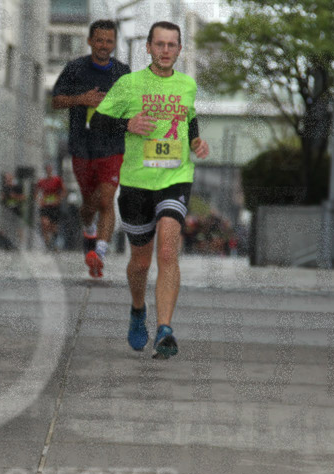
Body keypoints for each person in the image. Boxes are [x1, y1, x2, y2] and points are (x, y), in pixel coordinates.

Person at [93, 20, 209, 358]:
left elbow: (189, 118)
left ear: (180, 49)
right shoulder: (129, 84)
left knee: (168, 252)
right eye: (159, 44)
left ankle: (165, 329)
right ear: (148, 47)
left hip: (175, 177)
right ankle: (137, 309)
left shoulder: (187, 85)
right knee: (140, 262)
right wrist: (126, 123)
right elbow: (98, 123)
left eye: (172, 45)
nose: (165, 51)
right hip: (136, 183)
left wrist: (195, 140)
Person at [51, 19, 130, 278]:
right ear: (90, 41)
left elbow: (132, 108)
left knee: (107, 200)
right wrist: (81, 99)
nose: (104, 45)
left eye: (109, 41)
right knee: (89, 204)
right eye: (99, 40)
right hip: (82, 147)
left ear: (114, 43)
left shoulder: (123, 72)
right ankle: (88, 226)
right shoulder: (75, 69)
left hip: (112, 146)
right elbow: (56, 101)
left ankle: (100, 252)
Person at [35, 163, 64, 250]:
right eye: (47, 169)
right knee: (44, 224)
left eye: (50, 169)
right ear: (45, 171)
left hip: (54, 206)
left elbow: (63, 191)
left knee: (53, 227)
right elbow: (36, 192)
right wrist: (39, 200)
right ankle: (47, 243)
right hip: (45, 206)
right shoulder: (41, 181)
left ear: (52, 170)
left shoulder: (57, 180)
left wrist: (58, 199)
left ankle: (54, 243)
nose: (48, 171)